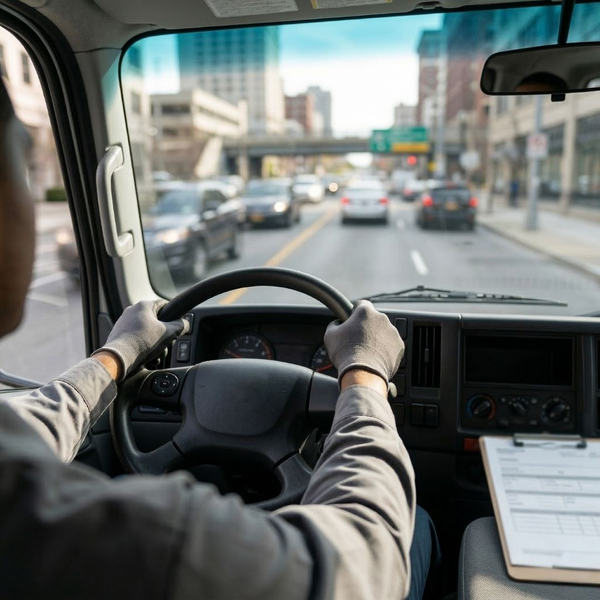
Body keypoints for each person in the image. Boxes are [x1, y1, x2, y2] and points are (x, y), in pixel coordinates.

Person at [0, 77, 439, 599]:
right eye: (23, 168)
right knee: (417, 524)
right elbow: (367, 560)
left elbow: (26, 423)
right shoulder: (150, 538)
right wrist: (362, 378)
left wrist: (115, 356)